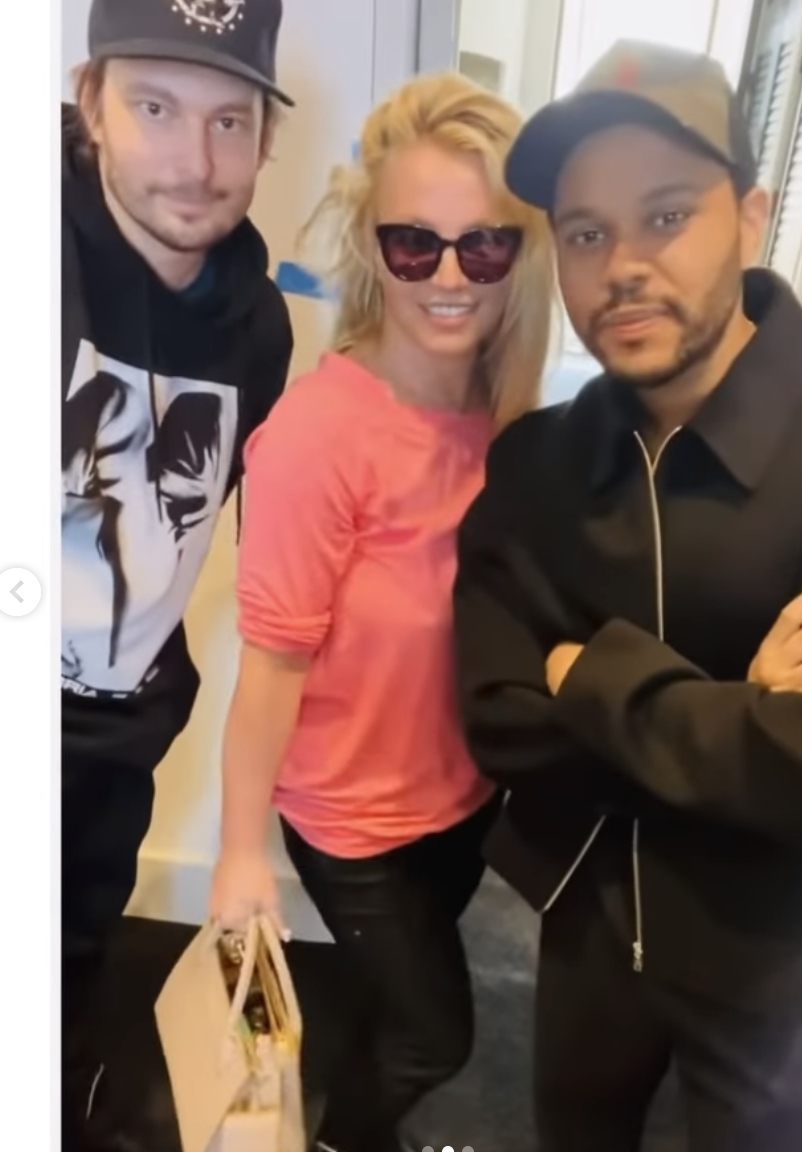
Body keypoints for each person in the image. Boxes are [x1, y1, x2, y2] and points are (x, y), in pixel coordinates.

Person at [453, 40, 802, 1152]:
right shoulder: (538, 465)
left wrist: (588, 674)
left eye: (666, 216)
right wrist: (741, 713)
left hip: (781, 953)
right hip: (587, 921)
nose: (621, 265)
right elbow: (498, 717)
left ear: (749, 217)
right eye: (585, 233)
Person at [208, 71, 553, 1152]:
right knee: (434, 1038)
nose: (448, 277)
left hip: (458, 796)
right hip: (352, 820)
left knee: (385, 1006)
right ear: (372, 246)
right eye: (415, 244)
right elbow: (271, 665)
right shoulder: (320, 437)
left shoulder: (503, 415)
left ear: (520, 255)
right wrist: (237, 854)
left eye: (483, 247)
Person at [61, 0, 295, 1147]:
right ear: (91, 101)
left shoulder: (260, 332)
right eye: (155, 107)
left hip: (119, 740)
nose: (196, 164)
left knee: (70, 971)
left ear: (264, 138)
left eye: (229, 121)